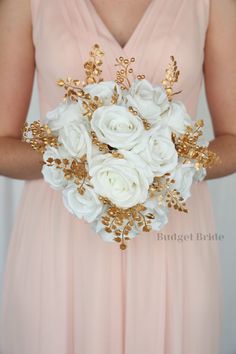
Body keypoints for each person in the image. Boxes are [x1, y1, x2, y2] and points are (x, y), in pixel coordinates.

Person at [0, 0, 235, 353]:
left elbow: (232, 140)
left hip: (170, 245)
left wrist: (159, 163)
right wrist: (87, 158)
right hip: (60, 246)